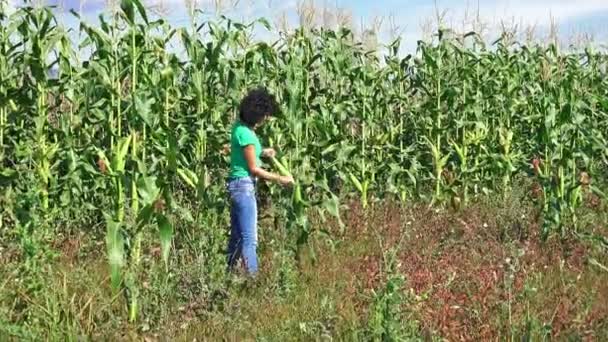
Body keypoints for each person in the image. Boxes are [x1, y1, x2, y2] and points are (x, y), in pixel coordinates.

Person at [226, 87, 294, 276]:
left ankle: (229, 277)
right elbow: (254, 169)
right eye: (264, 115)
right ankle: (253, 281)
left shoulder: (239, 128)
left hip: (236, 186)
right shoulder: (247, 135)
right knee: (249, 239)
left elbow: (244, 153)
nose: (266, 119)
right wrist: (281, 179)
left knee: (237, 238)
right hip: (244, 187)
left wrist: (263, 152)